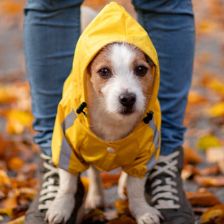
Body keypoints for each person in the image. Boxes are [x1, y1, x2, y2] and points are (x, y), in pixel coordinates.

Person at [23, 0, 195, 223]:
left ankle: (160, 167)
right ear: (87, 73)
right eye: (104, 72)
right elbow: (69, 146)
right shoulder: (72, 117)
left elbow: (142, 153)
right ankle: (62, 188)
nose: (126, 92)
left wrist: (137, 203)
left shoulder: (149, 120)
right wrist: (64, 195)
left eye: (140, 70)